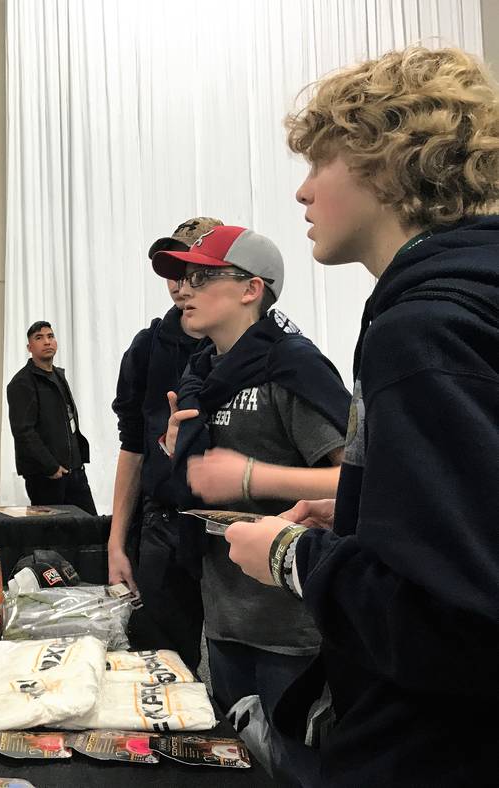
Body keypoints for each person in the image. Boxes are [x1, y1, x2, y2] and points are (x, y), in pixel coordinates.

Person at [225, 46, 499, 785]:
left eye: (322, 163)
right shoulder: (466, 307)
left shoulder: (427, 330)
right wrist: (360, 508)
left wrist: (288, 558)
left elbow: (456, 624)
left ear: (388, 162)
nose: (303, 192)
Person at [152, 226, 350, 782]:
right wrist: (177, 453)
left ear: (251, 289)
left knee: (296, 769)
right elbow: (197, 487)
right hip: (221, 615)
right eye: (182, 277)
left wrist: (250, 477)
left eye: (202, 276)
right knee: (232, 768)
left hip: (291, 629)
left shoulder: (294, 369)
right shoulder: (200, 377)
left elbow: (360, 484)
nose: (183, 289)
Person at [107, 216, 221, 668]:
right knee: (161, 664)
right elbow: (132, 446)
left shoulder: (259, 349)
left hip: (232, 534)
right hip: (164, 530)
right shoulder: (147, 347)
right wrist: (117, 544)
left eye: (196, 273)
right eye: (174, 272)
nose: (181, 285)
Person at [6, 321, 96, 514]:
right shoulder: (22, 383)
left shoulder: (58, 375)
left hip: (75, 471)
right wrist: (51, 467)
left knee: (91, 527)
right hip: (46, 476)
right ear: (29, 347)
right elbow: (23, 431)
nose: (47, 342)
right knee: (53, 537)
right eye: (39, 338)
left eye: (50, 336)